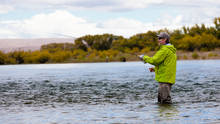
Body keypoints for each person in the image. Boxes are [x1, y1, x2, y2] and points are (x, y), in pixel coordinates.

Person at [139, 32, 177, 104]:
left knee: (165, 101)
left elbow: (154, 60)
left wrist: (144, 57)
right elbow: (167, 64)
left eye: (160, 38)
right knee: (161, 101)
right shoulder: (170, 50)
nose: (158, 40)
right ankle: (164, 115)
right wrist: (155, 69)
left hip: (164, 79)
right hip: (166, 78)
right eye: (158, 38)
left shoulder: (164, 50)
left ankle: (167, 115)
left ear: (165, 39)